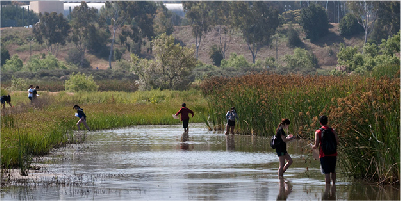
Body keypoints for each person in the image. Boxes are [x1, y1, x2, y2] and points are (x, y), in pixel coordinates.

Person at [312, 115, 339, 186]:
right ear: (327, 122)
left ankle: (327, 188)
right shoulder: (333, 130)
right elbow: (337, 142)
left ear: (320, 123)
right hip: (333, 154)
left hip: (323, 155)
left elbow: (316, 145)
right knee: (333, 171)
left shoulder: (318, 132)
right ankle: (334, 187)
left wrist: (313, 147)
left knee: (327, 173)